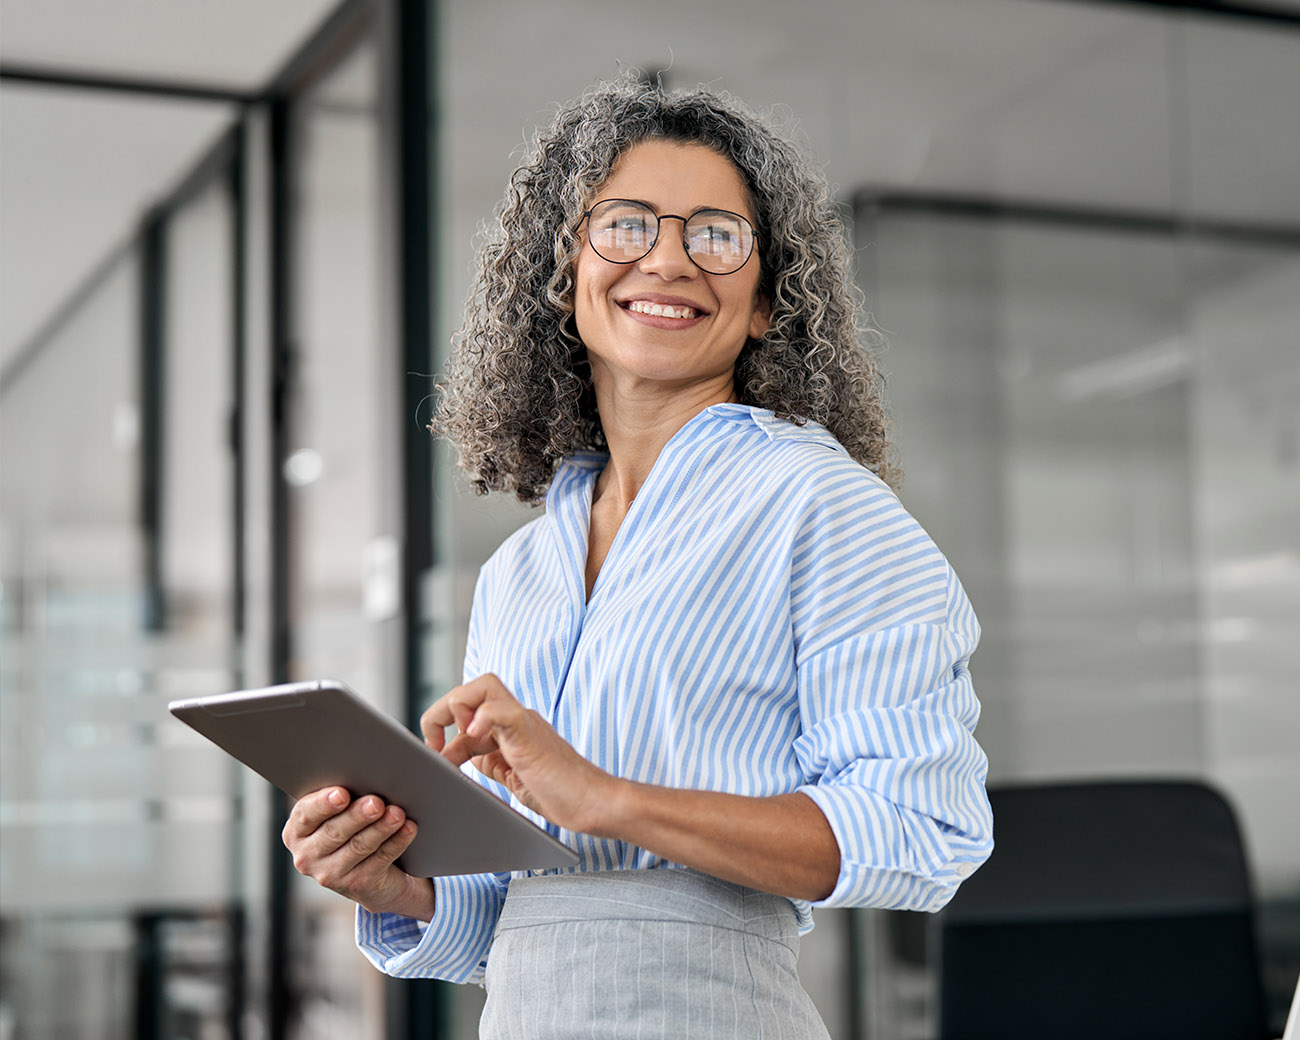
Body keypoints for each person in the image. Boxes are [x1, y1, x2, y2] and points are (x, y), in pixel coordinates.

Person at [282, 76, 993, 1037]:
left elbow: (925, 833)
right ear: (563, 276)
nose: (667, 260)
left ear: (769, 303)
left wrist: (609, 799)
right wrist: (393, 882)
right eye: (625, 225)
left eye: (715, 235)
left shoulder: (821, 508)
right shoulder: (521, 572)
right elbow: (511, 921)